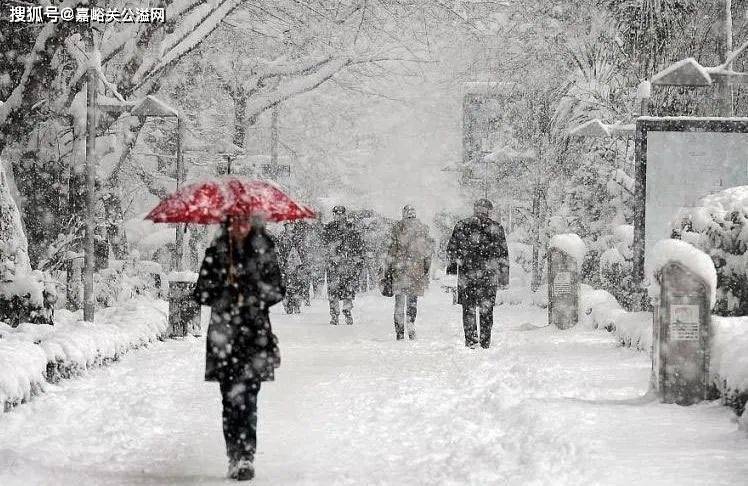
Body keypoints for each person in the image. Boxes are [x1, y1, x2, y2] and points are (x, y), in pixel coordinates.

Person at [193, 215, 285, 481]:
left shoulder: (264, 249)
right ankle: (234, 453)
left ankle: (246, 455)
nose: (240, 226)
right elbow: (201, 293)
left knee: (249, 399)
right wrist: (225, 289)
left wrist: (254, 291)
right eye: (235, 222)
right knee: (230, 400)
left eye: (245, 221)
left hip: (254, 335)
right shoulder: (217, 251)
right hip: (225, 336)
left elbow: (278, 290)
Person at [446, 199, 508, 349]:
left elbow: (452, 251)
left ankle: (471, 340)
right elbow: (503, 254)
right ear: (489, 211)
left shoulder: (462, 226)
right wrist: (503, 277)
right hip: (489, 275)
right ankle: (485, 341)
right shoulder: (496, 228)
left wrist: (453, 270)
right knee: (486, 309)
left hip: (467, 275)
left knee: (468, 309)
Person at [383, 205, 433, 340]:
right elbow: (427, 251)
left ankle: (399, 332)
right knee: (412, 301)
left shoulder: (397, 228)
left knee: (399, 302)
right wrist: (425, 267)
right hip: (415, 270)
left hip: (399, 270)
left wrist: (388, 269)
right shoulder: (422, 229)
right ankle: (411, 325)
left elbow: (391, 250)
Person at [322, 205, 365, 325]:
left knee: (348, 289)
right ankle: (334, 315)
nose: (339, 215)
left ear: (345, 214)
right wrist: (331, 256)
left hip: (348, 264)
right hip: (333, 265)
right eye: (337, 213)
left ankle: (347, 310)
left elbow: (359, 244)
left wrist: (357, 257)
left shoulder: (351, 228)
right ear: (334, 214)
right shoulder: (328, 228)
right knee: (333, 290)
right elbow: (323, 246)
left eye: (341, 213)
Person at [277, 222, 306, 314]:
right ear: (285, 226)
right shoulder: (281, 236)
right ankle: (287, 305)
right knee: (286, 285)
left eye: (292, 224)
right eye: (288, 224)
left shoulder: (298, 236)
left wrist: (303, 262)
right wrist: (281, 261)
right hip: (285, 264)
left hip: (297, 265)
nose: (291, 226)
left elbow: (303, 251)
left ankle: (297, 305)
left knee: (298, 285)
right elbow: (278, 251)